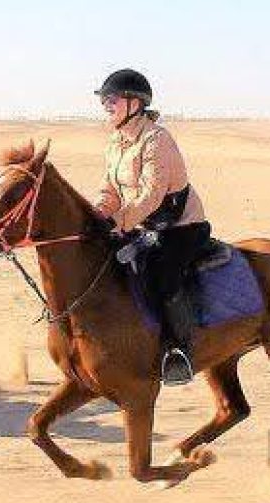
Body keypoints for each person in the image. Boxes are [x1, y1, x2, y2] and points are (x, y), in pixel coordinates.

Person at [93, 69, 210, 386]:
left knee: (163, 277)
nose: (106, 105)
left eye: (112, 99)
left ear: (135, 103)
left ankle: (177, 351)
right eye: (104, 100)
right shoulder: (116, 142)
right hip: (140, 225)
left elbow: (150, 195)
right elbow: (111, 190)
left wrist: (117, 223)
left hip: (180, 229)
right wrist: (97, 215)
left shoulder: (157, 139)